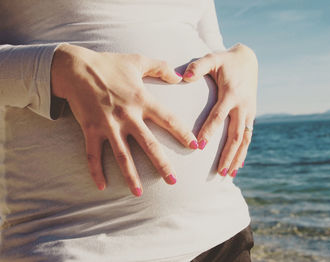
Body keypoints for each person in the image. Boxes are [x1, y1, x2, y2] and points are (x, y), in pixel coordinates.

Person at [0, 0, 258, 261]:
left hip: (222, 229)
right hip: (80, 241)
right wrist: (58, 67)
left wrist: (245, 61)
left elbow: (208, 43)